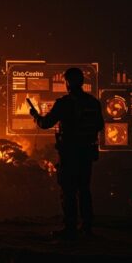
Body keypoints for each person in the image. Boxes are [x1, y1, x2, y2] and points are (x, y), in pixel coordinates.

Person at [29, 68, 104, 239]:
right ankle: (87, 228)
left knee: (69, 191)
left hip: (70, 153)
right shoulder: (93, 103)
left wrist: (35, 115)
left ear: (67, 83)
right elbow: (99, 125)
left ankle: (70, 228)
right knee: (84, 189)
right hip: (86, 153)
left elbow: (46, 123)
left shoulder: (64, 103)